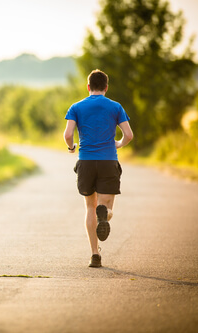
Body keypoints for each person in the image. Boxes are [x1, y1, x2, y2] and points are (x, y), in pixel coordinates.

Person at [63, 69, 133, 268]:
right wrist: (118, 143)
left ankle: (95, 255)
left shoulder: (76, 107)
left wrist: (71, 147)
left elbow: (68, 134)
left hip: (85, 161)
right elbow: (128, 135)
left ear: (88, 87)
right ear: (106, 87)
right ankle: (106, 214)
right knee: (106, 207)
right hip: (108, 161)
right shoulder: (115, 107)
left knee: (89, 208)